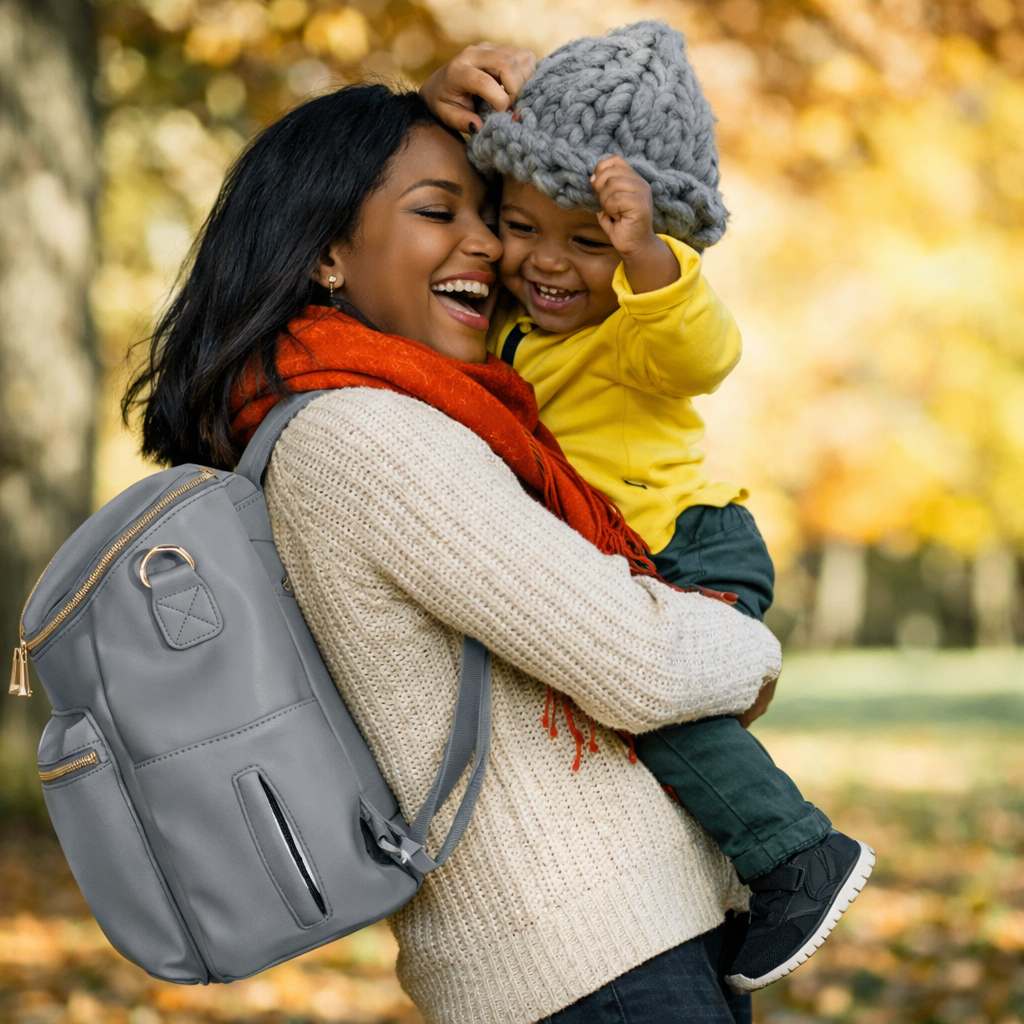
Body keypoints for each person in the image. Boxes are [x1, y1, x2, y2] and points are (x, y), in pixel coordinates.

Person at [125, 82, 784, 1023]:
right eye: (442, 212)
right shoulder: (367, 435)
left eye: (487, 214)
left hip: (614, 942)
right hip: (589, 961)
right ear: (324, 254)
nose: (490, 246)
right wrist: (749, 644)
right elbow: (641, 660)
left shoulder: (379, 405)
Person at [420, 21, 874, 992]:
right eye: (523, 226)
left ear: (637, 246)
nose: (545, 261)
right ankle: (719, 871)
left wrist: (648, 267)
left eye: (585, 242)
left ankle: (796, 854)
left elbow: (702, 352)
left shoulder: (633, 327)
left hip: (687, 542)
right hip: (632, 547)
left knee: (647, 698)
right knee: (622, 707)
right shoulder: (524, 331)